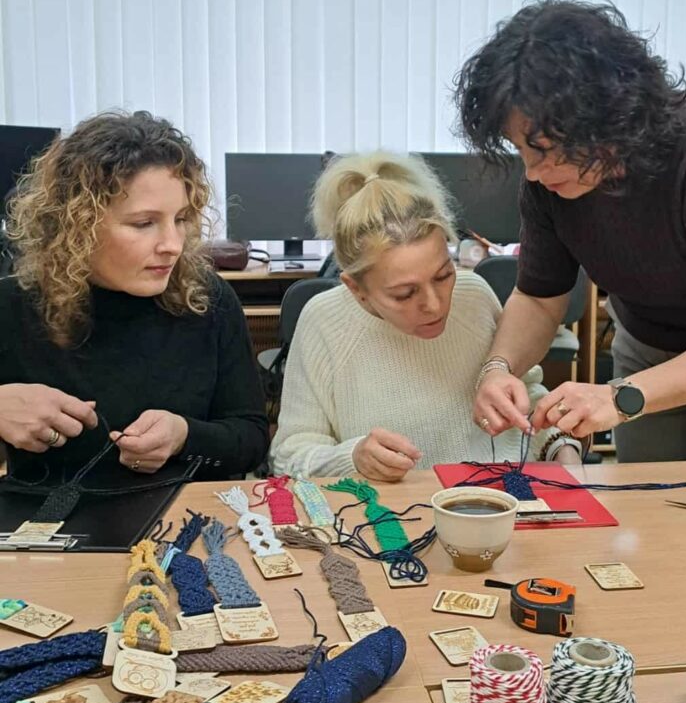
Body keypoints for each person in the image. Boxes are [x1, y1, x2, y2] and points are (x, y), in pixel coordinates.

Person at [457, 0, 686, 462]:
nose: (532, 172)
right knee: (647, 496)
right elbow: (538, 297)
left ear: (607, 119)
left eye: (545, 149)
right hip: (647, 343)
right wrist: (498, 368)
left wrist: (619, 397)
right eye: (521, 149)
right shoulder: (548, 183)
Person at [269, 151, 581, 480]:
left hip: (496, 495)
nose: (434, 305)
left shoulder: (474, 296)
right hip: (389, 508)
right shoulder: (324, 321)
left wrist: (560, 444)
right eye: (405, 293)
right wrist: (353, 458)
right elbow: (289, 456)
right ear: (356, 288)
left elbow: (522, 394)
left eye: (443, 276)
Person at [0, 110, 268, 484]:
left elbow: (252, 440)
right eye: (144, 224)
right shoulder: (12, 306)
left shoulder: (209, 299)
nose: (173, 245)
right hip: (47, 516)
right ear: (76, 226)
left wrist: (184, 437)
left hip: (183, 512)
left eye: (181, 219)